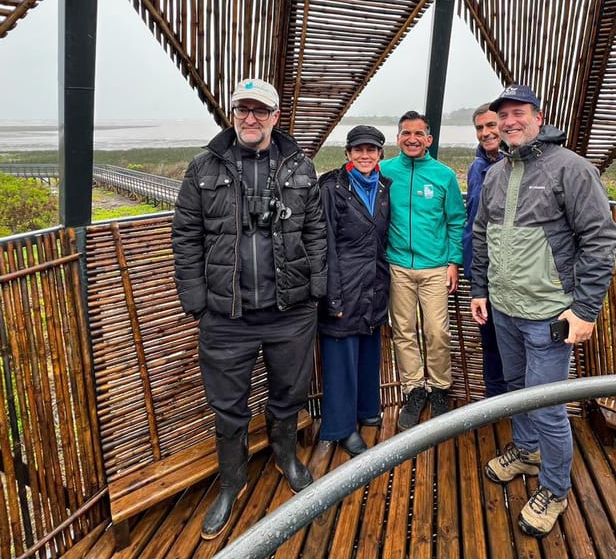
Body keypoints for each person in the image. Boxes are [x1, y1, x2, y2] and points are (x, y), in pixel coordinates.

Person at [171, 77, 327, 540]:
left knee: (289, 392)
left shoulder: (300, 167)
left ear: (277, 117)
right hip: (227, 316)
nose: (251, 118)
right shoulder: (203, 168)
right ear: (232, 115)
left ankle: (285, 458)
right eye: (243, 110)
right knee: (227, 406)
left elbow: (316, 231)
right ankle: (232, 481)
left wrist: (314, 290)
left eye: (261, 110)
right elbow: (186, 237)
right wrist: (196, 300)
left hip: (290, 311)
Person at [470, 85, 616, 539]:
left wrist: (586, 310)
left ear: (538, 116)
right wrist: (480, 288)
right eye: (503, 116)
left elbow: (600, 240)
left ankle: (555, 489)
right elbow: (481, 233)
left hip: (550, 313)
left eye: (518, 113)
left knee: (548, 405)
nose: (509, 122)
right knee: (516, 389)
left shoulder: (571, 169)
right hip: (505, 308)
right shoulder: (496, 173)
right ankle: (527, 449)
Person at [382, 111, 466, 430]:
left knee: (436, 332)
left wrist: (453, 262)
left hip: (434, 268)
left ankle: (440, 389)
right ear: (398, 137)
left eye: (419, 134)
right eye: (406, 133)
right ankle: (414, 390)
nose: (412, 139)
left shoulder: (443, 175)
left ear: (429, 139)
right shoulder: (384, 171)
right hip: (397, 266)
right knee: (403, 331)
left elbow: (457, 221)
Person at [318, 125, 392, 456]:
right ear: (347, 154)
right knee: (340, 358)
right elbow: (325, 245)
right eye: (358, 150)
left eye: (371, 150)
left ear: (380, 155)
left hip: (373, 283)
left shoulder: (384, 188)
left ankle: (366, 410)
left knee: (367, 350)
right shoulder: (332, 188)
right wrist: (331, 295)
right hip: (343, 285)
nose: (365, 156)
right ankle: (341, 427)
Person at [461, 103, 506, 398]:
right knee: (490, 342)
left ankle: (520, 410)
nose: (486, 133)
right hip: (482, 269)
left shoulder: (518, 164)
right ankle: (495, 404)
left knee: (516, 343)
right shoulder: (476, 168)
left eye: (491, 125)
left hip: (510, 271)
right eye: (480, 128)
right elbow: (471, 218)